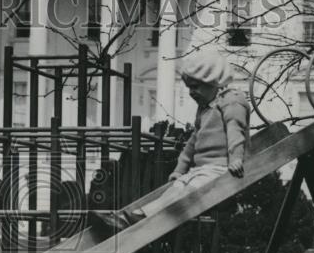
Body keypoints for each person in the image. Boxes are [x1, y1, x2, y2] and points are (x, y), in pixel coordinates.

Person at [90, 43, 249, 238]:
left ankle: (137, 218)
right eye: (189, 87)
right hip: (199, 171)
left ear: (213, 81)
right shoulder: (205, 108)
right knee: (176, 189)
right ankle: (133, 216)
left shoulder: (231, 101)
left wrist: (236, 159)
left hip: (219, 170)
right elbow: (192, 142)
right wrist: (179, 170)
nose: (191, 92)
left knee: (183, 194)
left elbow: (235, 131)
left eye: (195, 86)